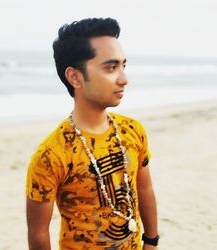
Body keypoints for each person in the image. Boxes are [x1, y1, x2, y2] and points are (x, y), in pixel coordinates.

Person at [26, 17, 159, 250]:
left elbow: (144, 188)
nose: (124, 79)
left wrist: (151, 240)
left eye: (123, 66)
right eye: (110, 67)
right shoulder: (51, 155)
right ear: (75, 77)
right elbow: (38, 233)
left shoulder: (133, 131)